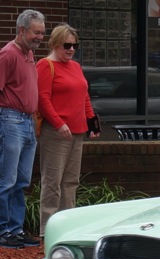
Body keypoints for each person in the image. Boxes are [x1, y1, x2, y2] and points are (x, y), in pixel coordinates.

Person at [37, 24, 100, 238]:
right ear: (55, 43)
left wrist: (92, 122)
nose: (71, 49)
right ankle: (47, 230)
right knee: (52, 181)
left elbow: (84, 97)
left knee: (71, 181)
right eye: (67, 45)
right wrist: (58, 123)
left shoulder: (75, 67)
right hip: (56, 133)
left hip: (77, 131)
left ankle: (67, 227)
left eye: (75, 45)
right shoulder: (45, 65)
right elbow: (43, 99)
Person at [0, 10, 45, 248]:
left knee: (22, 180)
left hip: (27, 122)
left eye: (42, 33)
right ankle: (4, 230)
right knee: (7, 180)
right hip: (10, 120)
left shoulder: (29, 55)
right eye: (36, 32)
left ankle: (15, 229)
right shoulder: (7, 55)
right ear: (21, 30)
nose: (40, 37)